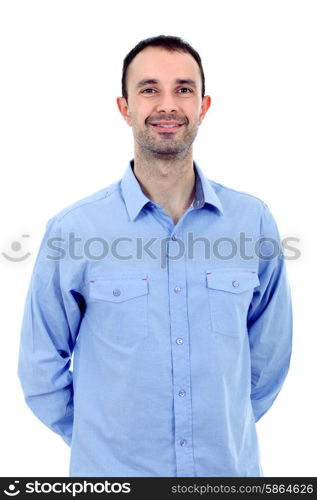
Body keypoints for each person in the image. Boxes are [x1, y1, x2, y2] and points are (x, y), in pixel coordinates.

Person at [17, 35, 292, 477]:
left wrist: (222, 429)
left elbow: (269, 357)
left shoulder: (252, 221)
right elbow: (40, 366)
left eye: (183, 89)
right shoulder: (74, 230)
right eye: (149, 89)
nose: (167, 104)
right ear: (124, 108)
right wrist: (101, 440)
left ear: (203, 106)